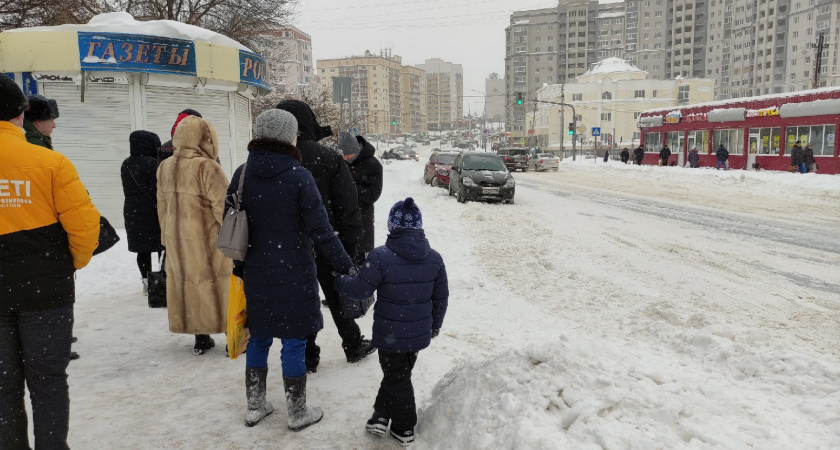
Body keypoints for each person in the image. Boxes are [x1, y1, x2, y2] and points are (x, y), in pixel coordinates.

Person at [228, 109, 355, 431]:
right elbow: (322, 231)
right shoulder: (299, 177)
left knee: (258, 337)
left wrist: (240, 266)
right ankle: (297, 411)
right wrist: (345, 265)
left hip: (256, 270)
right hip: (294, 270)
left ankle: (255, 405)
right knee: (295, 341)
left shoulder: (242, 174)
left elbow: (231, 224)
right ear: (290, 137)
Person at [0, 76, 100, 450]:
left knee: (3, 383)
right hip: (47, 290)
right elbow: (85, 227)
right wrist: (66, 263)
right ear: (21, 114)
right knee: (48, 380)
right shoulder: (51, 162)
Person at [335, 197, 449, 447]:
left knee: (397, 376)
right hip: (419, 333)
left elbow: (360, 290)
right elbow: (441, 297)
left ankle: (404, 427)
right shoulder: (435, 258)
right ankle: (380, 415)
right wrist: (435, 325)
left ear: (391, 227)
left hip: (390, 333)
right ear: (419, 227)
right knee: (398, 373)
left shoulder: (380, 257)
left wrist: (339, 280)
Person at [275, 100, 370, 373]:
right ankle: (352, 344)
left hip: (288, 247)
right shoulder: (328, 157)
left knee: (302, 302)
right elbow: (349, 208)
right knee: (338, 297)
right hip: (330, 243)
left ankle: (307, 354)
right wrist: (348, 249)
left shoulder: (275, 159)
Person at [156, 115, 232, 355]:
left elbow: (162, 207)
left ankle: (201, 337)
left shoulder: (165, 166)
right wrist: (234, 239)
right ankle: (233, 335)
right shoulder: (208, 167)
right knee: (221, 286)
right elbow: (224, 207)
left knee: (191, 287)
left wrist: (166, 238)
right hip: (209, 240)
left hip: (178, 240)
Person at [121, 131, 164, 295]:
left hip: (133, 212)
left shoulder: (126, 164)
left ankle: (146, 281)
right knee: (162, 246)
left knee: (142, 250)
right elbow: (158, 190)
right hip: (154, 212)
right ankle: (161, 281)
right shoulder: (154, 163)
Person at [338, 132, 383, 265]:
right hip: (343, 221)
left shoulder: (373, 164)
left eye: (348, 154)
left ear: (356, 150)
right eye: (343, 155)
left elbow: (373, 194)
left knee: (363, 263)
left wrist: (350, 189)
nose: (346, 158)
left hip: (363, 220)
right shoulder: (341, 162)